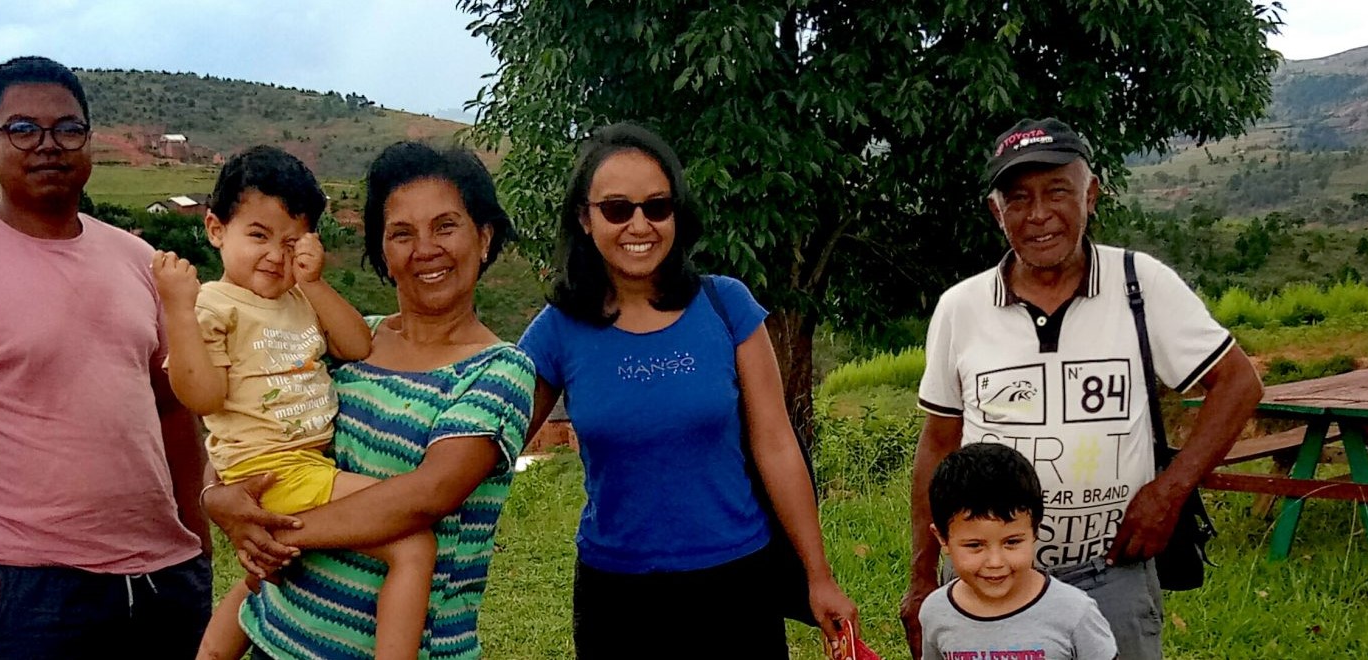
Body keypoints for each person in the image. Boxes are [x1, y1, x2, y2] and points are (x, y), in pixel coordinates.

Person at [0, 56, 211, 659]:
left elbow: (171, 408)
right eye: (23, 129)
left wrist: (198, 535)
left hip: (168, 580)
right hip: (35, 594)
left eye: (67, 129)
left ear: (89, 139)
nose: (48, 145)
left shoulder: (136, 258)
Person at [902, 118, 1265, 660]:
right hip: (989, 582)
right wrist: (922, 571)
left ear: (1090, 194)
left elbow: (1238, 383)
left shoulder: (1141, 285)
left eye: (1058, 191)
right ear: (996, 212)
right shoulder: (961, 308)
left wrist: (1169, 492)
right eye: (1018, 198)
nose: (1039, 214)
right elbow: (938, 443)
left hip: (1113, 574)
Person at [517, 123, 859, 657]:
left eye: (657, 207)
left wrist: (819, 575)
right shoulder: (559, 328)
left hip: (736, 584)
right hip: (617, 596)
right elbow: (496, 441)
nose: (639, 224)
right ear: (584, 219)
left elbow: (776, 443)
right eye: (616, 209)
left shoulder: (727, 305)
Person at [203, 141, 536, 660]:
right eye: (402, 233)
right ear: (382, 251)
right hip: (278, 637)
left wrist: (271, 532)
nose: (425, 249)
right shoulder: (348, 340)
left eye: (445, 226)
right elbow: (257, 418)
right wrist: (216, 496)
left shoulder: (499, 370)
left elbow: (428, 495)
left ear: (485, 237)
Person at [149, 146, 432, 660]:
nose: (276, 256)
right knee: (413, 542)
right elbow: (202, 395)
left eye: (292, 241)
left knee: (271, 567)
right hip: (272, 468)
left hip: (304, 464)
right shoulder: (212, 303)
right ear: (216, 229)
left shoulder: (298, 298)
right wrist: (177, 310)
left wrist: (315, 282)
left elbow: (356, 345)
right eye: (258, 236)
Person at [919, 442, 1119, 660]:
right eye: (975, 545)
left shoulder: (1075, 612)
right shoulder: (935, 613)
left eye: (1012, 542)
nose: (995, 562)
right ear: (942, 539)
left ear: (1035, 530)